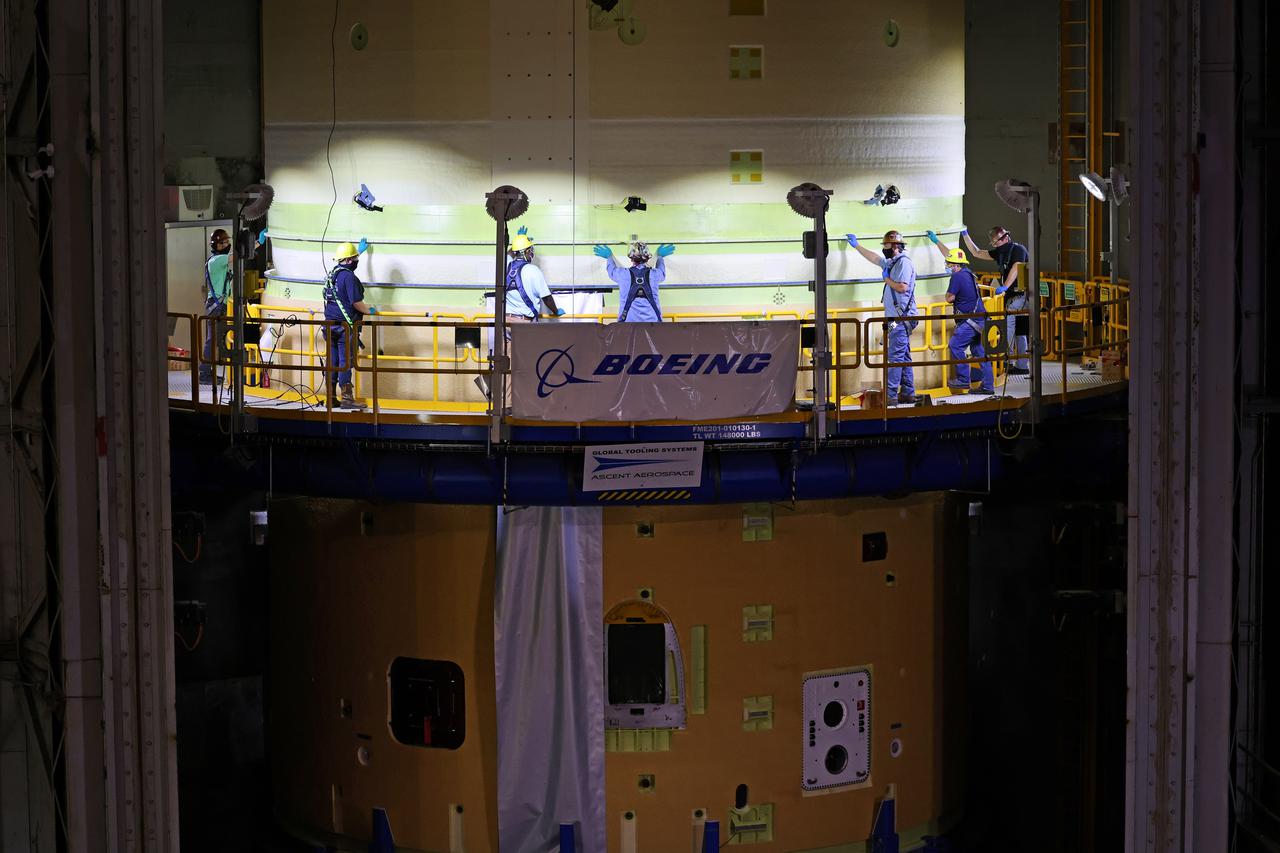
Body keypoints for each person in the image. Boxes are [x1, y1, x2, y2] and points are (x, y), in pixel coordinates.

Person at [928, 225, 1030, 375]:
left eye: (997, 243)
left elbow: (1016, 267)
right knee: (1019, 331)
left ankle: (1006, 361)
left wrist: (1005, 286)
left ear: (1006, 237)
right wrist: (965, 235)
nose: (996, 246)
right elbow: (976, 252)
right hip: (1012, 295)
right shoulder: (997, 254)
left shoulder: (1017, 250)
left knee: (1010, 327)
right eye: (994, 244)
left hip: (1020, 294)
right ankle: (1020, 365)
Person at [846, 229, 918, 405]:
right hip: (896, 320)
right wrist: (857, 246)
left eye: (886, 245)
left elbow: (903, 287)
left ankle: (891, 396)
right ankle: (908, 392)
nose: (884, 248)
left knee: (894, 358)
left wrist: (886, 280)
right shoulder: (891, 263)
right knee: (903, 355)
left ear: (895, 246)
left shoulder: (903, 264)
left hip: (901, 319)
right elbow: (874, 258)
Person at [322, 241, 379, 410]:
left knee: (332, 361)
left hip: (329, 325)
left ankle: (331, 398)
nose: (356, 260)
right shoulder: (350, 277)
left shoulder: (333, 274)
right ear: (348, 260)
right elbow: (356, 303)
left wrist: (360, 251)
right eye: (354, 257)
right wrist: (371, 311)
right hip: (345, 328)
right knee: (345, 362)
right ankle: (347, 398)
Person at [939, 248, 995, 396]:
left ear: (956, 265)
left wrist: (950, 296)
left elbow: (949, 298)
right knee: (979, 351)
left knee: (955, 345)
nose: (948, 266)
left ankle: (964, 379)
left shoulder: (957, 277)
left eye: (949, 264)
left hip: (970, 321)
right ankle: (988, 386)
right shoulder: (969, 273)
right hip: (980, 319)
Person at [592, 240, 675, 322]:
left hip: (628, 324)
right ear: (647, 258)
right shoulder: (655, 275)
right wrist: (660, 257)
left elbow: (612, 270)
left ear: (631, 259)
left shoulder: (622, 274)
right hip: (652, 324)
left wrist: (609, 256)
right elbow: (661, 271)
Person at [505, 226, 563, 324]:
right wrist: (556, 311)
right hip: (524, 323)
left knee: (505, 340)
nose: (531, 252)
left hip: (505, 321)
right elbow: (547, 298)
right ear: (526, 251)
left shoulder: (506, 264)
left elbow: (509, 253)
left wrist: (519, 239)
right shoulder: (533, 270)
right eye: (530, 249)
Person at [198, 229, 233, 385]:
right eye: (225, 242)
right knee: (212, 341)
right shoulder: (218, 260)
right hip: (217, 306)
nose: (228, 245)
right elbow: (238, 256)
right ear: (218, 245)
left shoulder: (218, 259)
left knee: (215, 340)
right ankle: (205, 375)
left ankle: (208, 373)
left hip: (218, 305)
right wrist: (257, 243)